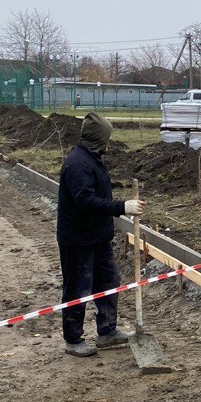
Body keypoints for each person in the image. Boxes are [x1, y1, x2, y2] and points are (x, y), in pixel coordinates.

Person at [56, 112, 144, 357]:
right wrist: (121, 208)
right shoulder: (78, 164)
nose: (109, 142)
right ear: (98, 138)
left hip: (98, 236)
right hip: (78, 239)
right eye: (106, 137)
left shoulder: (93, 158)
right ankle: (73, 339)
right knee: (77, 288)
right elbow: (85, 202)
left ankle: (107, 331)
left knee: (108, 283)